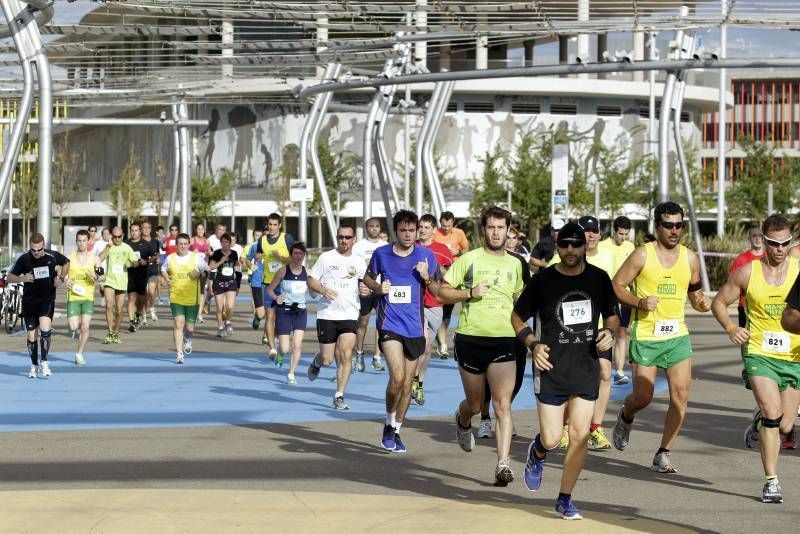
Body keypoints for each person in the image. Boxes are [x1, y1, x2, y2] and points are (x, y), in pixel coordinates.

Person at [512, 222, 618, 520]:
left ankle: (564, 498)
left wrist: (609, 333)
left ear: (586, 246)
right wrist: (532, 344)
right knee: (552, 438)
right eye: (564, 245)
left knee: (580, 435)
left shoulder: (599, 279)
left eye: (576, 244)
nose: (570, 250)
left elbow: (612, 316)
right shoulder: (543, 280)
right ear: (557, 247)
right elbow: (518, 317)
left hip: (585, 367)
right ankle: (538, 452)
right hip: (551, 368)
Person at [611, 201, 712, 473]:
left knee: (680, 397)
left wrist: (701, 303)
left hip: (678, 336)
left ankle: (663, 452)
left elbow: (695, 293)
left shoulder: (690, 258)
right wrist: (639, 302)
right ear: (657, 226)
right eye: (668, 225)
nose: (674, 230)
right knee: (643, 397)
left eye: (679, 225)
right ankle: (626, 413)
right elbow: (616, 286)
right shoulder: (642, 255)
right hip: (646, 336)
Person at [713, 214, 799, 504]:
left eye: (786, 243)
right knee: (773, 413)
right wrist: (730, 327)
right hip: (760, 352)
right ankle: (771, 481)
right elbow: (719, 302)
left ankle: (761, 425)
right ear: (764, 241)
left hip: (793, 354)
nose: (780, 249)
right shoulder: (748, 272)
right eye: (774, 244)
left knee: (786, 425)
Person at [437, 206, 524, 486]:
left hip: (504, 340)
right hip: (471, 339)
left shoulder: (517, 263)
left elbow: (522, 297)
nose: (496, 233)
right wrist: (469, 292)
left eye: (501, 228)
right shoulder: (468, 260)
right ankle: (462, 419)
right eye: (491, 227)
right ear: (483, 230)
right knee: (476, 404)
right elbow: (442, 291)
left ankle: (503, 464)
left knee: (502, 404)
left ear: (509, 230)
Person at [363, 210, 439, 453]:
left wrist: (426, 277)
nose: (408, 235)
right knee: (396, 377)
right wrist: (378, 287)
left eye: (412, 230)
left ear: (417, 231)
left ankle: (396, 429)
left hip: (415, 327)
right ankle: (387, 421)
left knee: (407, 385)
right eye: (403, 230)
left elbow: (438, 288)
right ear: (395, 231)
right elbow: (366, 278)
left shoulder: (426, 256)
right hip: (389, 325)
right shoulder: (381, 253)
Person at [477, 223, 532, 438]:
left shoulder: (519, 262)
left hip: (514, 327)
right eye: (506, 237)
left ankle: (504, 412)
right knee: (486, 378)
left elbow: (527, 292)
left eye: (513, 238)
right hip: (487, 327)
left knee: (516, 378)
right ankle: (484, 418)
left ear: (517, 241)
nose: (508, 240)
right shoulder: (480, 258)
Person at [306, 223, 365, 410]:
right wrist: (322, 289)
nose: (344, 241)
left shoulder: (359, 261)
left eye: (347, 237)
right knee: (327, 359)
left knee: (346, 354)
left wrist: (366, 290)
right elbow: (311, 279)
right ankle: (317, 360)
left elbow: (366, 285)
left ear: (354, 239)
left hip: (349, 313)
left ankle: (339, 395)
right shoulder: (326, 257)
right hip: (327, 314)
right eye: (340, 237)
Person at [8, 233, 69, 378]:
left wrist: (60, 278)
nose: (36, 253)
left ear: (43, 246)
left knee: (45, 327)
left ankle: (44, 362)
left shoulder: (51, 256)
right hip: (29, 302)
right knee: (31, 335)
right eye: (33, 250)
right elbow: (10, 277)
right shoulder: (24, 259)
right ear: (30, 246)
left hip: (46, 299)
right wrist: (23, 278)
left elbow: (66, 262)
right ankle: (34, 365)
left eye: (39, 249)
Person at [412, 213, 454, 406]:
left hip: (435, 303)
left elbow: (450, 274)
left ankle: (418, 383)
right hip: (414, 304)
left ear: (433, 230)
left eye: (426, 227)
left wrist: (436, 273)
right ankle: (410, 381)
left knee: (426, 351)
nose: (422, 230)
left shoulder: (442, 250)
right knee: (425, 344)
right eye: (420, 226)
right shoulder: (410, 247)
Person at [599, 216, 636, 386]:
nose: (623, 237)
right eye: (621, 234)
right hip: (606, 295)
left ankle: (619, 371)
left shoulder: (630, 246)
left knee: (622, 333)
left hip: (625, 296)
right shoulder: (602, 246)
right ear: (614, 231)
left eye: (626, 234)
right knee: (605, 332)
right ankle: (601, 366)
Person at [252, 213, 294, 359]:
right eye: (269, 224)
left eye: (275, 224)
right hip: (268, 283)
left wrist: (280, 258)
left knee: (282, 316)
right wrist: (258, 257)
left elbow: (296, 258)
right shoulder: (262, 240)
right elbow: (257, 254)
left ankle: (278, 338)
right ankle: (272, 348)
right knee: (270, 315)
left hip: (284, 283)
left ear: (279, 225)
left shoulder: (286, 238)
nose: (271, 227)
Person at [161, 233, 208, 364]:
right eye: (180, 244)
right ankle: (179, 353)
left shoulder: (196, 258)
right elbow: (163, 269)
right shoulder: (170, 258)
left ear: (189, 245)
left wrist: (199, 274)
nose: (182, 246)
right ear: (176, 245)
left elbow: (207, 270)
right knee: (178, 324)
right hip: (176, 296)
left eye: (185, 244)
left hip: (192, 298)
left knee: (190, 328)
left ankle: (187, 338)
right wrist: (166, 277)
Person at [266, 242, 309, 384]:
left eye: (300, 254)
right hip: (284, 311)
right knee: (285, 348)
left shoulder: (306, 272)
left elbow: (314, 292)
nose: (298, 256)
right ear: (291, 255)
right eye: (295, 253)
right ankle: (280, 354)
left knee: (297, 345)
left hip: (300, 311)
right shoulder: (283, 271)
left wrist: (322, 291)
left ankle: (291, 373)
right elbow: (270, 290)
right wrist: (276, 297)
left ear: (304, 256)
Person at [352, 217, 389, 373]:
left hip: (381, 289)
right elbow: (352, 267)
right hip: (365, 289)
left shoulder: (386, 246)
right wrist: (358, 284)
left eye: (377, 226)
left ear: (380, 228)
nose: (374, 229)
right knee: (363, 322)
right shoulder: (358, 247)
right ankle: (359, 355)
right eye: (371, 226)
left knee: (381, 324)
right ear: (366, 228)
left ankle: (377, 357)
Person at [433, 211, 470, 359]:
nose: (446, 228)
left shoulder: (459, 233)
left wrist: (459, 251)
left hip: (454, 274)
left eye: (448, 226)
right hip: (437, 274)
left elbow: (467, 250)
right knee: (437, 306)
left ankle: (441, 339)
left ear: (453, 223)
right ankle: (441, 343)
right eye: (443, 225)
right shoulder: (435, 233)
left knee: (447, 311)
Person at [64, 230, 99, 365]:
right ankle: (73, 327)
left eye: (84, 240)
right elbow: (61, 273)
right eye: (79, 240)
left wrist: (95, 276)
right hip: (73, 297)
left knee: (85, 327)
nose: (82, 243)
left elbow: (102, 276)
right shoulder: (69, 257)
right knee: (73, 327)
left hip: (88, 297)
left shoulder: (94, 258)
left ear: (88, 241)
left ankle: (79, 353)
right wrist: (66, 279)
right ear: (76, 241)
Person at [99, 226, 138, 344]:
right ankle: (110, 332)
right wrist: (108, 246)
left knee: (119, 311)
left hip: (121, 282)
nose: (116, 239)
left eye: (119, 237)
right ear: (111, 236)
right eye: (114, 237)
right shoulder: (109, 246)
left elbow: (136, 262)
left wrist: (130, 264)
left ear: (123, 236)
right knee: (109, 306)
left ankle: (116, 333)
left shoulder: (127, 248)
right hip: (109, 281)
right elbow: (100, 258)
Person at [125, 222, 158, 332]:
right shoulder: (126, 243)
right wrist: (127, 262)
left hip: (142, 275)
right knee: (131, 298)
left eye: (136, 230)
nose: (134, 233)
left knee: (142, 300)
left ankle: (138, 315)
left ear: (140, 231)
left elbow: (153, 257)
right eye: (132, 230)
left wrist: (147, 261)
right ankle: (131, 323)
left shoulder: (145, 244)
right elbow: (122, 257)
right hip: (130, 275)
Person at [730, 227, 766, 327]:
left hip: (766, 305)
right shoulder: (741, 259)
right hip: (745, 307)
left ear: (764, 238)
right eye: (754, 236)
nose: (758, 239)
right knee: (745, 338)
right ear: (749, 239)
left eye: (760, 236)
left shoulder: (768, 258)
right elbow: (731, 281)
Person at [208, 233, 239, 337]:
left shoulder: (234, 254)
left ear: (230, 243)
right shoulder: (216, 253)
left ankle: (228, 321)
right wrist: (221, 261)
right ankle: (220, 327)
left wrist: (238, 284)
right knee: (219, 308)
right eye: (223, 241)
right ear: (220, 242)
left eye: (227, 242)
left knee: (230, 306)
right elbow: (211, 267)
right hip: (219, 282)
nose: (225, 244)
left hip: (231, 282)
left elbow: (237, 267)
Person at [243, 229, 265, 329]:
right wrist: (251, 265)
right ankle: (257, 317)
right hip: (257, 280)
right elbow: (247, 259)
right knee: (261, 314)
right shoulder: (255, 246)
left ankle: (267, 336)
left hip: (272, 281)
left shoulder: (277, 247)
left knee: (271, 312)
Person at [141, 220, 161, 322]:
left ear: (150, 229)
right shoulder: (138, 241)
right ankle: (144, 315)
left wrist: (157, 258)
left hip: (153, 270)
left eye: (148, 228)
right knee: (144, 293)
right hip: (141, 270)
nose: (146, 230)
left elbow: (158, 254)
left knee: (151, 291)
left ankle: (152, 309)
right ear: (141, 229)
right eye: (144, 228)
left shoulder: (155, 242)